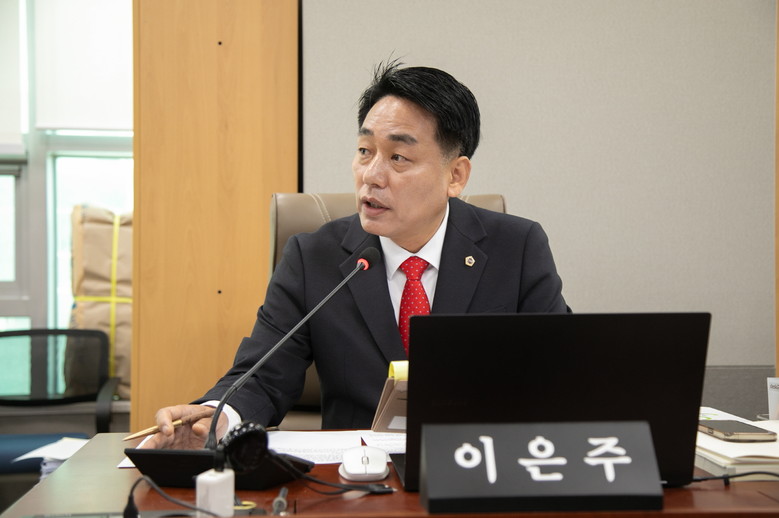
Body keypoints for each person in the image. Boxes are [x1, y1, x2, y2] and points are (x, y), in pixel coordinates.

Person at [143, 61, 568, 450]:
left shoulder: (517, 248)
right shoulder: (314, 257)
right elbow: (263, 377)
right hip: (355, 478)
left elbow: (559, 374)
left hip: (479, 467)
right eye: (365, 151)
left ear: (455, 175)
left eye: (398, 157)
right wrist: (215, 419)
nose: (371, 175)